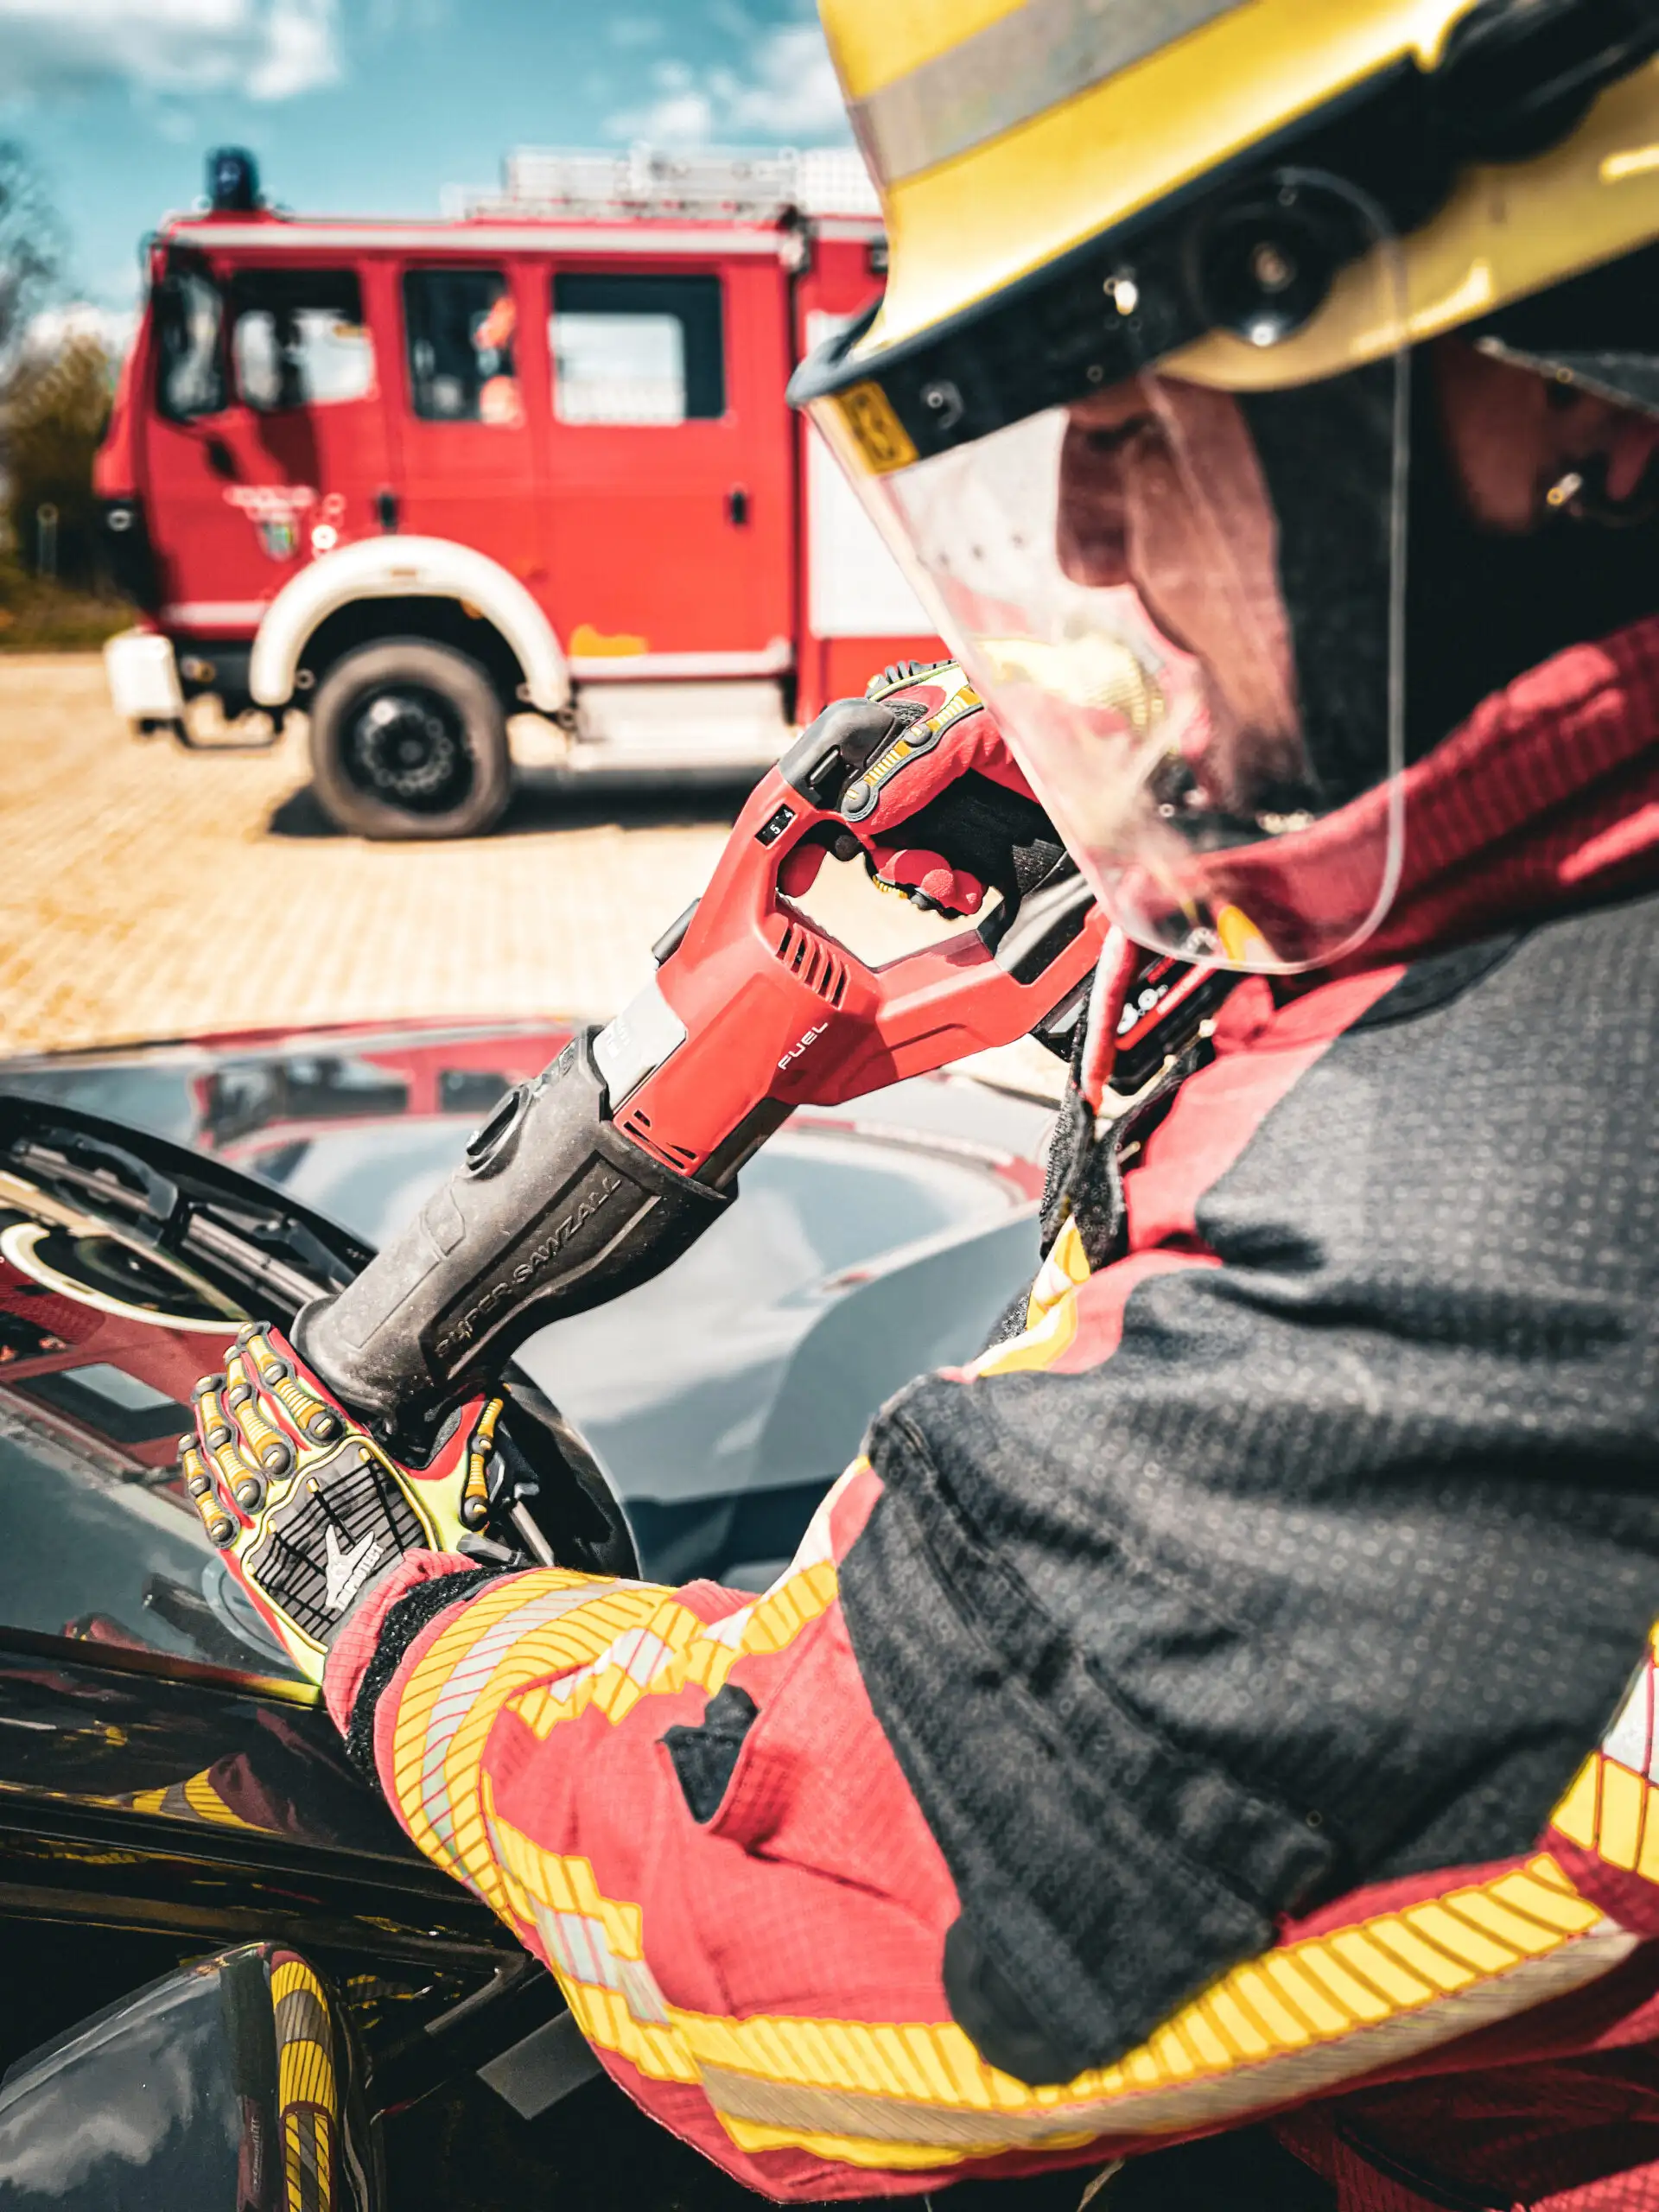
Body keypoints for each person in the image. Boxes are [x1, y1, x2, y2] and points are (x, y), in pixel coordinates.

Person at [184, 3, 1659, 2202]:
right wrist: (1184, 822)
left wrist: (392, 1611)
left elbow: (783, 1900)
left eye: (1148, 409)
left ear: (1575, 392)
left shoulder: (1488, 1253)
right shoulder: (1534, 917)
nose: (1082, 534)